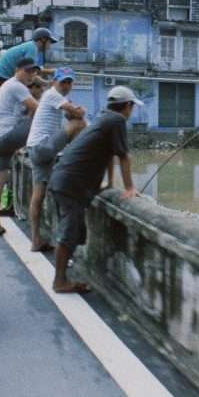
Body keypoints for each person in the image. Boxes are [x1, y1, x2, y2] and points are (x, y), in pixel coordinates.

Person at [48, 86, 141, 293]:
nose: (131, 110)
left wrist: (109, 184)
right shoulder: (116, 120)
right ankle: (60, 281)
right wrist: (130, 187)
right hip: (70, 184)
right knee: (69, 234)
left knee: (73, 232)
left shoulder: (104, 118)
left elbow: (110, 153)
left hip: (64, 180)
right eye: (132, 106)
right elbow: (124, 156)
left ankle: (63, 276)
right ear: (127, 106)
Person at [25, 67, 86, 252]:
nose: (66, 86)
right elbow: (78, 116)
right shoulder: (52, 95)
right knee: (80, 124)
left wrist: (75, 110)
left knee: (39, 195)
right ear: (55, 83)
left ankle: (35, 240)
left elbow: (69, 112)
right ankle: (79, 163)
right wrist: (79, 110)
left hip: (36, 148)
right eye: (63, 82)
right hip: (43, 148)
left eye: (69, 82)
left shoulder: (55, 98)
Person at [0, 57, 40, 237]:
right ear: (19, 70)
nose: (30, 76)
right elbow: (37, 109)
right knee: (42, 119)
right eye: (28, 71)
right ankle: (41, 149)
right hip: (6, 135)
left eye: (33, 72)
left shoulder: (7, 86)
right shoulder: (16, 86)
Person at [0, 27, 56, 91]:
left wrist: (48, 81)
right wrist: (50, 77)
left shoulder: (31, 46)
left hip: (0, 77)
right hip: (2, 78)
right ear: (43, 39)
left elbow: (33, 72)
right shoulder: (32, 48)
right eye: (50, 42)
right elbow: (30, 72)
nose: (50, 45)